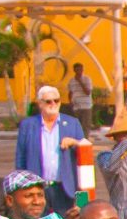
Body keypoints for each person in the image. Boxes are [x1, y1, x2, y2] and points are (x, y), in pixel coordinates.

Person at [14, 83, 88, 211]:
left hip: (65, 191)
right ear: (40, 104)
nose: (53, 104)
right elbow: (20, 161)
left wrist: (82, 203)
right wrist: (23, 192)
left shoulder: (72, 124)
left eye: (56, 100)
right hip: (37, 190)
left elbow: (85, 160)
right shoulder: (28, 125)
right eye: (48, 101)